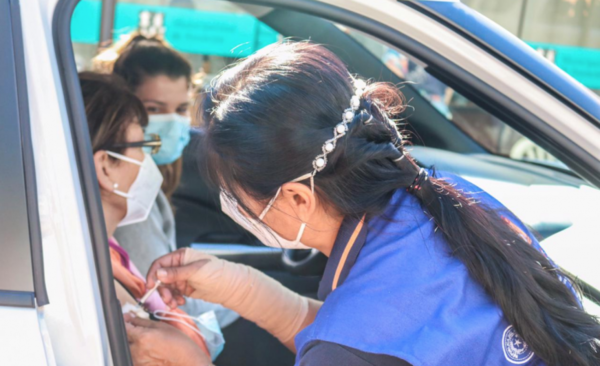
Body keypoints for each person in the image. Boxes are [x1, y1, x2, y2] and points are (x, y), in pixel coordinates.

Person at [126, 42, 600, 366]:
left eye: (234, 192)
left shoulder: (350, 346)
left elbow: (360, 342)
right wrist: (240, 287)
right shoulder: (451, 200)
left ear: (295, 196)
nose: (232, 204)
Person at [94, 34, 239, 329]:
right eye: (154, 109)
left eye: (182, 109)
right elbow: (156, 295)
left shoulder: (149, 179)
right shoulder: (126, 194)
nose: (172, 122)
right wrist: (253, 301)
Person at [79, 72, 212, 363]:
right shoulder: (103, 283)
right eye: (143, 147)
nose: (149, 161)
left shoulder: (106, 253)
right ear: (105, 167)